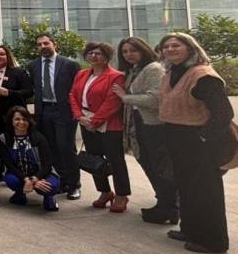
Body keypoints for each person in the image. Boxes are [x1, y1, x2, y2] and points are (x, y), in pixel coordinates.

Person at [158, 33, 233, 254]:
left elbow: (223, 113)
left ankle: (214, 241)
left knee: (205, 191)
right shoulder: (173, 72)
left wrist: (204, 137)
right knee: (187, 187)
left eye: (176, 45)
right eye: (166, 46)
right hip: (176, 137)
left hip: (198, 141)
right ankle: (191, 230)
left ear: (190, 48)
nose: (170, 49)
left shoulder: (203, 74)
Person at [113, 37, 174, 224]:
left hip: (154, 126)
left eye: (133, 50)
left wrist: (125, 97)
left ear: (144, 50)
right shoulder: (134, 70)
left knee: (159, 167)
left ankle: (170, 208)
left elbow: (155, 100)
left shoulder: (153, 68)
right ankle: (165, 204)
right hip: (139, 124)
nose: (129, 54)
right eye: (125, 51)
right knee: (148, 163)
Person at [69, 41, 128, 213]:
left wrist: (94, 121)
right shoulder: (81, 74)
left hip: (109, 124)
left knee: (116, 161)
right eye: (91, 53)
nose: (94, 56)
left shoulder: (116, 76)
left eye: (98, 54)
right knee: (94, 159)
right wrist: (79, 115)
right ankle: (104, 192)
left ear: (107, 57)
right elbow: (72, 94)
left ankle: (122, 195)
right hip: (86, 120)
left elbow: (113, 102)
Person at [30, 32, 82, 200]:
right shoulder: (33, 65)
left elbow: (77, 90)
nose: (43, 47)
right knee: (51, 149)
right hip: (43, 111)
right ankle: (64, 182)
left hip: (63, 111)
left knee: (66, 147)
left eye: (46, 43)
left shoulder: (69, 64)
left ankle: (75, 185)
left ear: (54, 44)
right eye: (39, 44)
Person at [0, 107, 59, 212]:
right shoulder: (4, 138)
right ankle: (19, 194)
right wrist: (26, 179)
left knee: (51, 186)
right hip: (19, 174)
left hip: (42, 174)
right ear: (11, 121)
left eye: (25, 119)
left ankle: (49, 198)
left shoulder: (39, 138)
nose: (21, 122)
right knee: (11, 180)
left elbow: (47, 164)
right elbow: (9, 165)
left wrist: (35, 179)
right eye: (17, 119)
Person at [0, 45, 32, 136]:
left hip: (12, 117)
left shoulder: (19, 72)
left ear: (8, 56)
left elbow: (29, 92)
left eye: (2, 54)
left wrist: (9, 93)